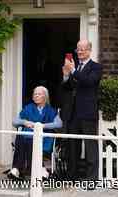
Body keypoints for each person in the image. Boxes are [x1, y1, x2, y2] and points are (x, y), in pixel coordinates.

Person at [61, 39, 102, 184]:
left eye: (83, 49)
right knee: (73, 146)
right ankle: (72, 176)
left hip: (88, 112)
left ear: (89, 50)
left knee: (90, 146)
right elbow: (68, 88)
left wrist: (72, 71)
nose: (80, 52)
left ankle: (92, 178)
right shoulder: (76, 67)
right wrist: (66, 76)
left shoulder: (96, 67)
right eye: (78, 49)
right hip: (73, 113)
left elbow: (89, 82)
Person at [7, 86, 62, 179]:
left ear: (45, 96)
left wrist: (43, 125)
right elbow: (15, 121)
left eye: (39, 94)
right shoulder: (28, 108)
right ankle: (16, 169)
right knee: (21, 136)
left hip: (44, 138)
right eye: (35, 94)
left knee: (30, 140)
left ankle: (39, 168)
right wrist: (24, 122)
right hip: (27, 136)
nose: (36, 96)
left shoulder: (50, 110)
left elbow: (59, 124)